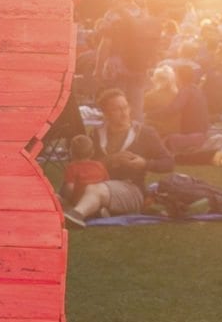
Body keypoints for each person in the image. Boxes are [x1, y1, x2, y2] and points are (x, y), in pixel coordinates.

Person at [64, 87, 172, 226]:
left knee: (94, 189)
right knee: (80, 189)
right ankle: (99, 210)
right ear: (105, 113)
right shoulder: (97, 134)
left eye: (125, 107)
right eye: (117, 109)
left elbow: (169, 163)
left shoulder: (145, 133)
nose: (124, 113)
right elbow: (86, 163)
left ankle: (76, 215)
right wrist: (110, 160)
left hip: (131, 189)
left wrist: (145, 163)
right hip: (98, 185)